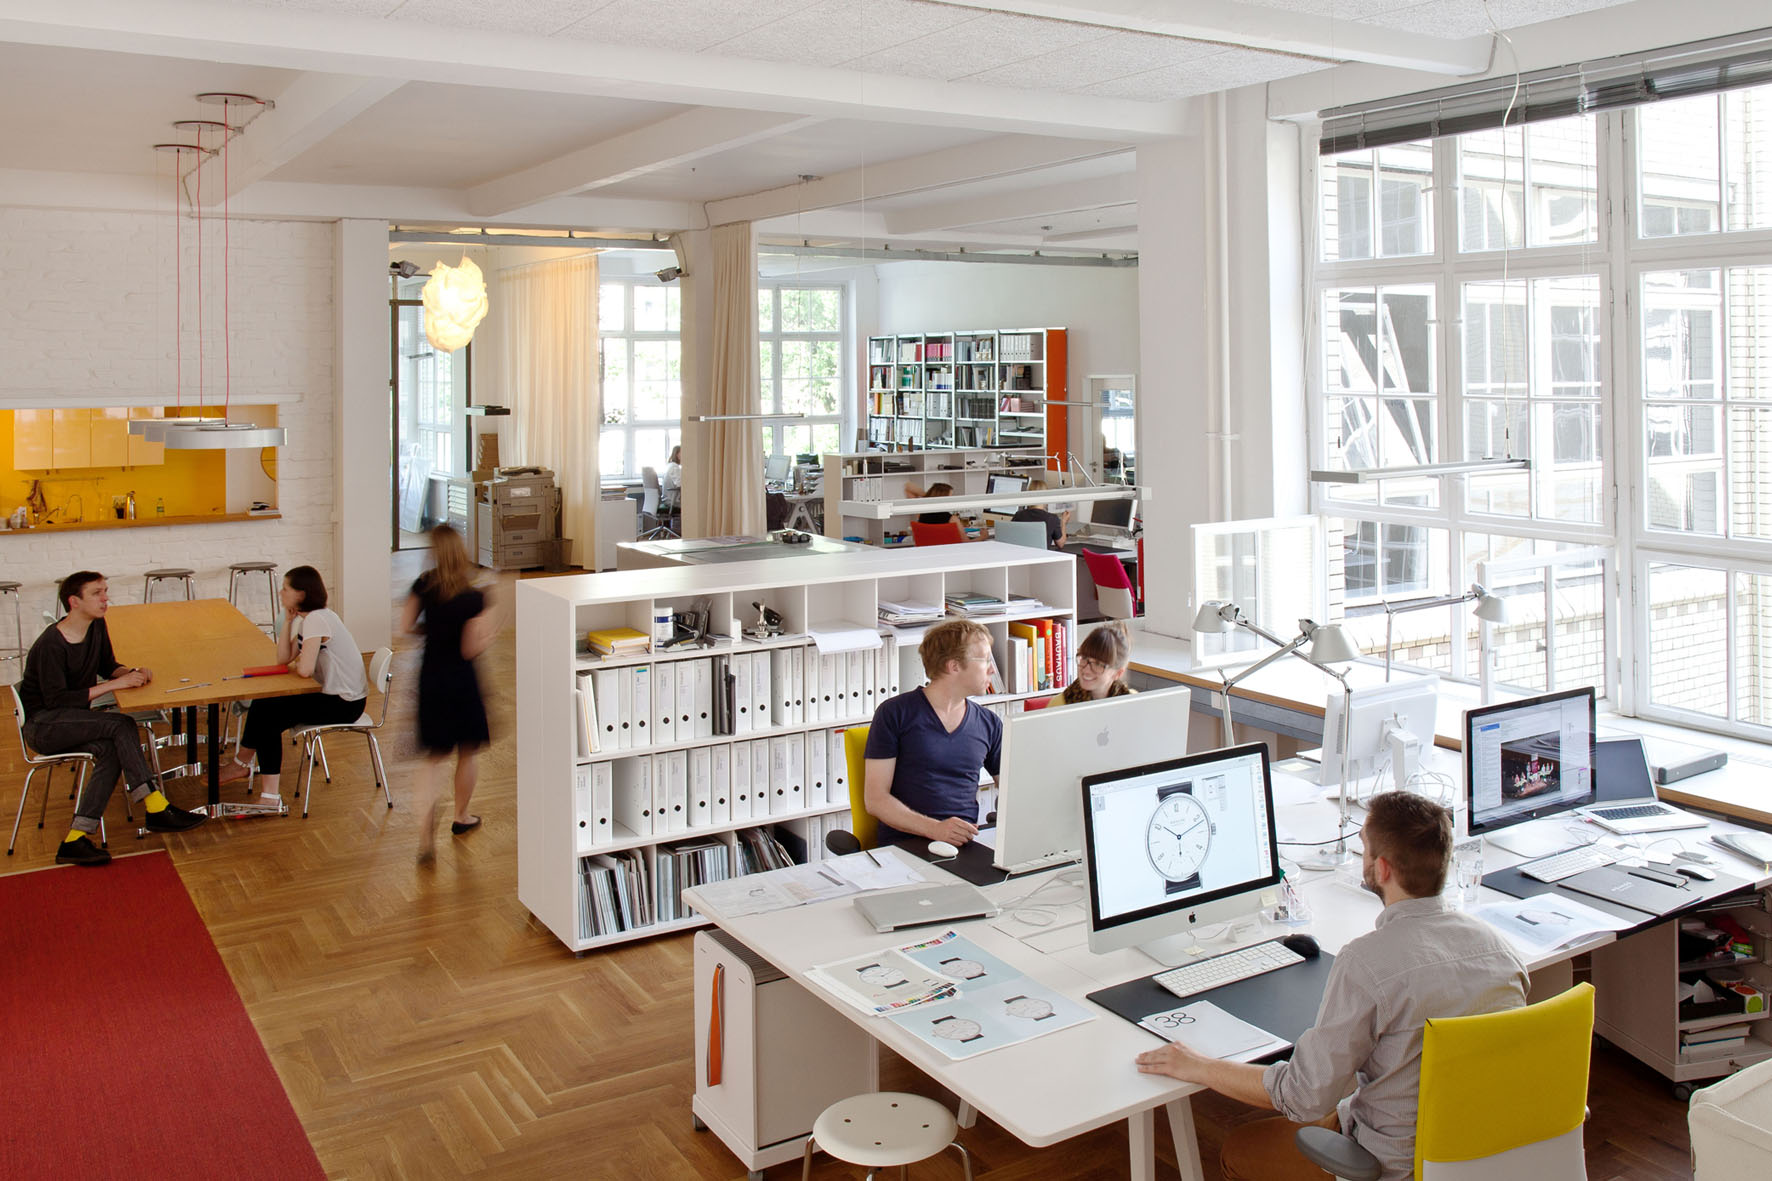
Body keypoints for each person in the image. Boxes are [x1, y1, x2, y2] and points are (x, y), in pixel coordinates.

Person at [1134, 792, 1529, 1181]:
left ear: (1383, 869)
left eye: (1364, 848)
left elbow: (1302, 1096)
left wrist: (1200, 1066)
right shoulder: (1501, 951)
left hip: (1393, 1167)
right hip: (1493, 1155)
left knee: (1241, 1149)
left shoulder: (1367, 963)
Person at [18, 571, 206, 866]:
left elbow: (107, 666)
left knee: (112, 750)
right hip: (44, 726)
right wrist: (115, 685)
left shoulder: (96, 626)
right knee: (122, 724)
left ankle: (75, 839)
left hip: (72, 720)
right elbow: (57, 701)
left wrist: (130, 673)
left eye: (105, 591)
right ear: (74, 602)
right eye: (97, 593)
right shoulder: (51, 644)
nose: (105, 598)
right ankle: (155, 805)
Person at [218, 566, 367, 807]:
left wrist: (301, 660)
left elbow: (304, 670)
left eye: (286, 589)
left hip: (344, 703)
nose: (281, 593)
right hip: (335, 697)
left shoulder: (317, 620)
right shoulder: (310, 619)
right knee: (265, 703)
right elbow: (283, 659)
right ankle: (244, 767)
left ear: (302, 594)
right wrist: (288, 621)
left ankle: (259, 785)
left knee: (268, 714)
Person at [401, 525, 501, 863]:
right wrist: (489, 636)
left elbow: (405, 627)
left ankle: (424, 834)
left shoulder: (423, 585)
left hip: (431, 678)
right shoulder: (474, 597)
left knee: (434, 758)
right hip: (462, 682)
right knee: (467, 752)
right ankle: (461, 815)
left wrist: (432, 630)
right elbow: (469, 649)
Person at [863, 619, 1001, 848]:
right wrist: (935, 829)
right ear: (954, 666)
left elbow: (1012, 789)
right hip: (904, 847)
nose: (992, 669)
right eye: (986, 660)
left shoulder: (989, 723)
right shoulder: (894, 713)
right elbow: (875, 800)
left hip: (963, 846)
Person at [1046, 621, 1134, 707]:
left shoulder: (1133, 702)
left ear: (1117, 673)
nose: (1086, 670)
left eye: (1098, 664)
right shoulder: (1059, 705)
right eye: (1084, 658)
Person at [1009, 479, 1069, 549]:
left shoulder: (1019, 515)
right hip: (1041, 555)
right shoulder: (1052, 518)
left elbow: (1010, 536)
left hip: (1022, 554)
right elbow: (1061, 544)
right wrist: (1063, 522)